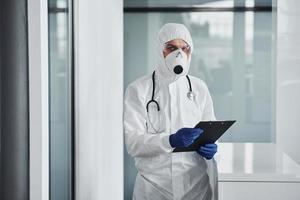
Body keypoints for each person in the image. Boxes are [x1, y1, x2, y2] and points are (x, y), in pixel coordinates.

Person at [124, 23, 218, 200]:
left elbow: (210, 127)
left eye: (185, 48)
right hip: (153, 188)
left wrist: (211, 147)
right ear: (160, 50)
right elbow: (133, 142)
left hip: (196, 187)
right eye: (172, 48)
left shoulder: (199, 87)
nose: (179, 54)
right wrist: (170, 140)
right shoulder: (138, 90)